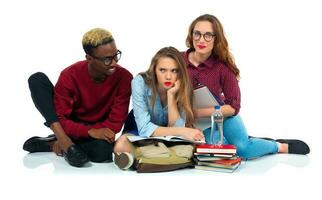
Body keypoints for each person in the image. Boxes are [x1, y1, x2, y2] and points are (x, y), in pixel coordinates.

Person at [182, 14, 310, 159]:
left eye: (208, 35)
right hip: (197, 125)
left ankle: (278, 146)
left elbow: (234, 107)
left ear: (216, 39)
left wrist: (197, 112)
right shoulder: (177, 60)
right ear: (191, 35)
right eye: (197, 34)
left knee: (243, 149)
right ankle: (248, 139)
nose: (201, 40)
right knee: (220, 149)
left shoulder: (222, 67)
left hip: (223, 117)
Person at [23, 28, 133, 167]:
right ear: (89, 58)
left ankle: (57, 143)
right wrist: (89, 132)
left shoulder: (125, 78)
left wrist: (97, 132)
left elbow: (115, 123)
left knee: (104, 153)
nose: (113, 63)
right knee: (37, 79)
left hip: (99, 130)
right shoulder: (69, 75)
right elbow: (61, 118)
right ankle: (64, 141)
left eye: (115, 55)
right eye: (107, 59)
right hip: (67, 126)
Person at [113, 46, 204, 169]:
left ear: (180, 72)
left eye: (174, 71)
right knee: (120, 145)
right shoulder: (139, 82)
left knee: (191, 147)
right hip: (139, 128)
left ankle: (142, 157)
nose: (168, 76)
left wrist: (171, 95)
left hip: (168, 134)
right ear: (154, 70)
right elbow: (145, 128)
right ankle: (165, 157)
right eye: (162, 70)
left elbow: (176, 128)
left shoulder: (183, 86)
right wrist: (183, 131)